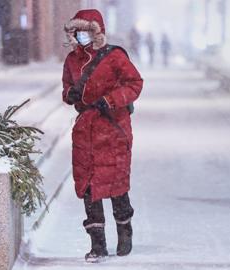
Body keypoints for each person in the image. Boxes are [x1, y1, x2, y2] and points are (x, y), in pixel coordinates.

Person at [62, 9, 144, 263]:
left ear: (97, 32)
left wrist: (110, 100)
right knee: (89, 186)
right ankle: (97, 244)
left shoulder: (114, 57)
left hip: (113, 127)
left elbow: (134, 84)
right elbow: (66, 85)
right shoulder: (72, 60)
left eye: (87, 31)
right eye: (78, 31)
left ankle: (124, 230)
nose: (81, 36)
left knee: (116, 184)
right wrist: (69, 96)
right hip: (85, 129)